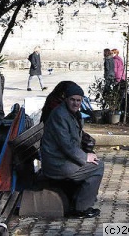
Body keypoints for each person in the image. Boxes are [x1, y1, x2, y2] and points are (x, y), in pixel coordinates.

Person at [40, 82, 104, 219]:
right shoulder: (60, 115)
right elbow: (66, 145)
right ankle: (81, 208)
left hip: (61, 159)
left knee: (94, 161)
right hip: (56, 163)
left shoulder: (72, 114)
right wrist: (85, 157)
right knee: (98, 167)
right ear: (66, 99)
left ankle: (80, 200)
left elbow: (73, 141)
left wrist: (87, 153)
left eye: (78, 100)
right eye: (72, 100)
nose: (76, 103)